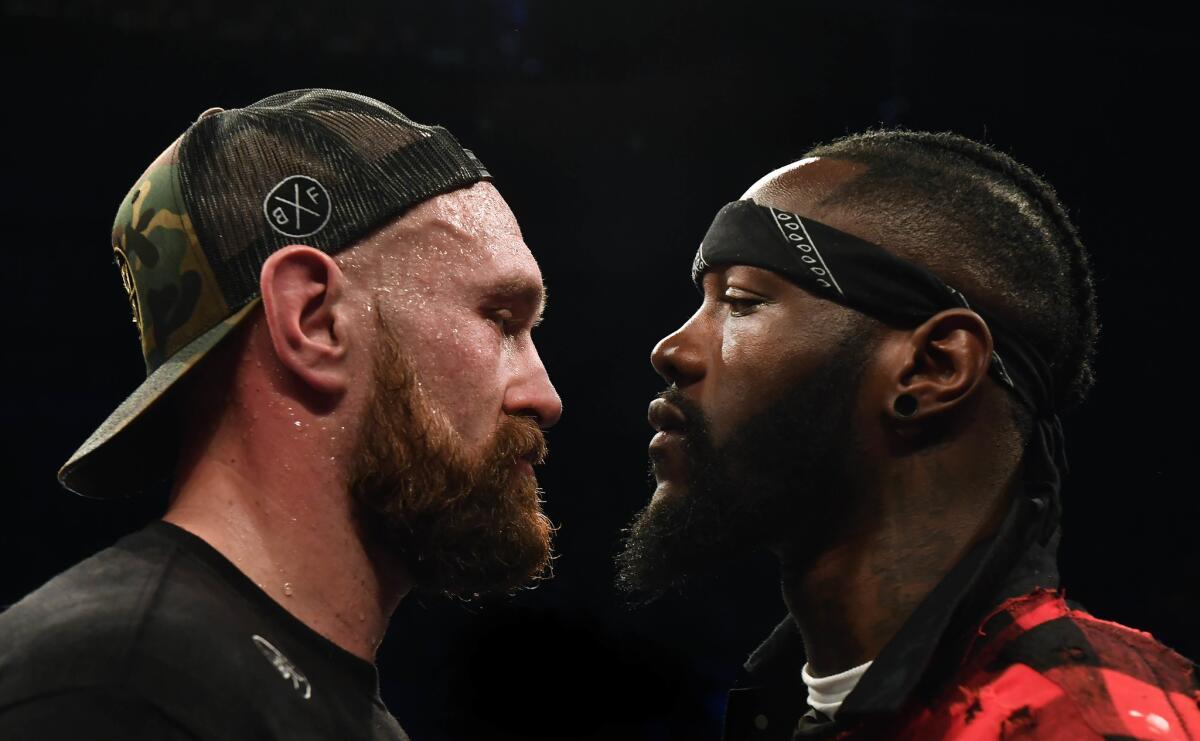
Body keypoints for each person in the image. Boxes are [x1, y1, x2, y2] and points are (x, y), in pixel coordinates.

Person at [0, 89, 561, 740]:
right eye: (500, 320)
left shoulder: (289, 700)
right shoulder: (114, 687)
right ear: (313, 321)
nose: (543, 395)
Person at [618, 131, 1200, 739]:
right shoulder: (799, 707)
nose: (672, 350)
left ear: (934, 368)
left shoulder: (1080, 719)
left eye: (740, 302)